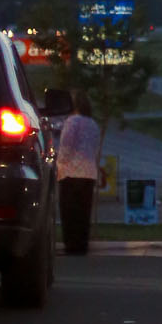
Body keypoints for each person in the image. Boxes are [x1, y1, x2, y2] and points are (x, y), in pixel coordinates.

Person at [55, 89, 103, 255]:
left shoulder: (72, 122)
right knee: (83, 212)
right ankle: (82, 244)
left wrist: (59, 164)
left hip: (71, 173)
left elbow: (66, 146)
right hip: (89, 173)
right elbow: (95, 149)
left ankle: (71, 245)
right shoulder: (93, 124)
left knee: (69, 211)